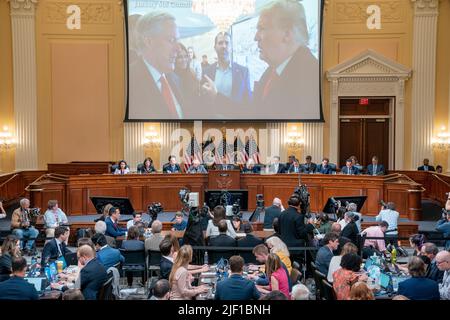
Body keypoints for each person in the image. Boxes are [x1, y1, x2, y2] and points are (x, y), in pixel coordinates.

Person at [253, 0, 319, 119]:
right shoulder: (272, 71)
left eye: (262, 28)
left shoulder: (311, 76)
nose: (256, 37)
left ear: (287, 34)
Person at [129, 12, 188, 120]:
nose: (178, 49)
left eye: (178, 40)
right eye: (171, 40)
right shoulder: (128, 81)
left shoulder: (175, 79)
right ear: (149, 41)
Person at [202, 31, 251, 115]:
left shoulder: (243, 72)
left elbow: (248, 103)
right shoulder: (207, 72)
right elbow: (203, 102)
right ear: (215, 47)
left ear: (231, 47)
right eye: (220, 43)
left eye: (227, 43)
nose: (224, 46)